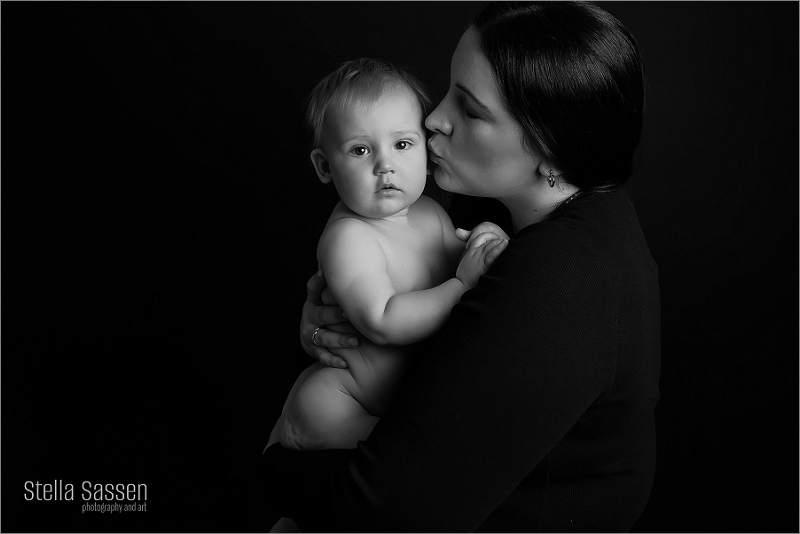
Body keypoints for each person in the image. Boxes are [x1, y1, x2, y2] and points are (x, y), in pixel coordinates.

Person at [260, 2, 661, 531]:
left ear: (551, 151)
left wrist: (275, 470)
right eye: (449, 90)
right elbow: (451, 367)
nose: (432, 119)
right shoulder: (526, 217)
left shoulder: (563, 277)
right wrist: (339, 332)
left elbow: (387, 511)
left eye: (470, 111)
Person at [267, 58, 508, 452]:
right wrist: (463, 283)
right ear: (325, 166)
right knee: (360, 488)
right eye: (360, 150)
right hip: (340, 402)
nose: (385, 165)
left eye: (401, 144)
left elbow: (464, 259)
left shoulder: (429, 212)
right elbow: (382, 321)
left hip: (397, 402)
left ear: (426, 152)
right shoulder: (349, 237)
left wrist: (486, 241)